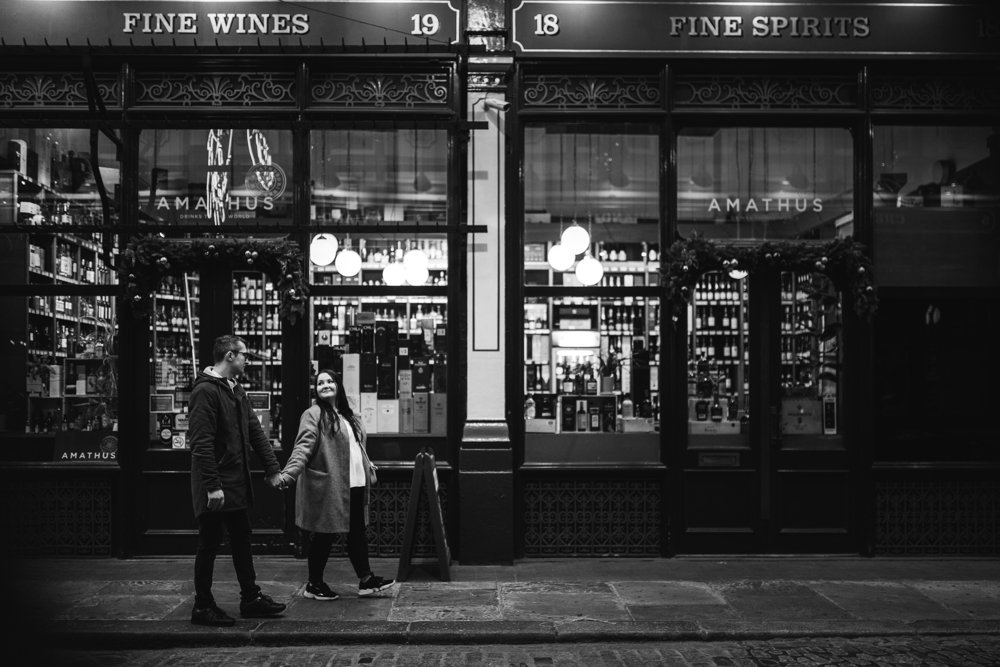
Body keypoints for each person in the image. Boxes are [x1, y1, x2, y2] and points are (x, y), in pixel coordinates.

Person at [188, 334, 287, 626]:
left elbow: (255, 431)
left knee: (242, 539)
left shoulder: (235, 389)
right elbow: (201, 443)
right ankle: (202, 605)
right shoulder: (206, 391)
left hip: (236, 482)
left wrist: (272, 468)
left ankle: (250, 597)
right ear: (229, 356)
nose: (247, 360)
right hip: (217, 485)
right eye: (244, 355)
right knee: (208, 543)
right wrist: (213, 486)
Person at [279, 369, 396, 600]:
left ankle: (366, 580)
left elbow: (357, 446)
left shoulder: (348, 414)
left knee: (357, 533)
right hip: (330, 485)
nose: (325, 385)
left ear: (338, 385)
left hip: (355, 483)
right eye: (320, 382)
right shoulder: (313, 414)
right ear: (316, 389)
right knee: (324, 534)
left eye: (330, 381)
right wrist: (288, 474)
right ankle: (314, 584)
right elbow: (303, 447)